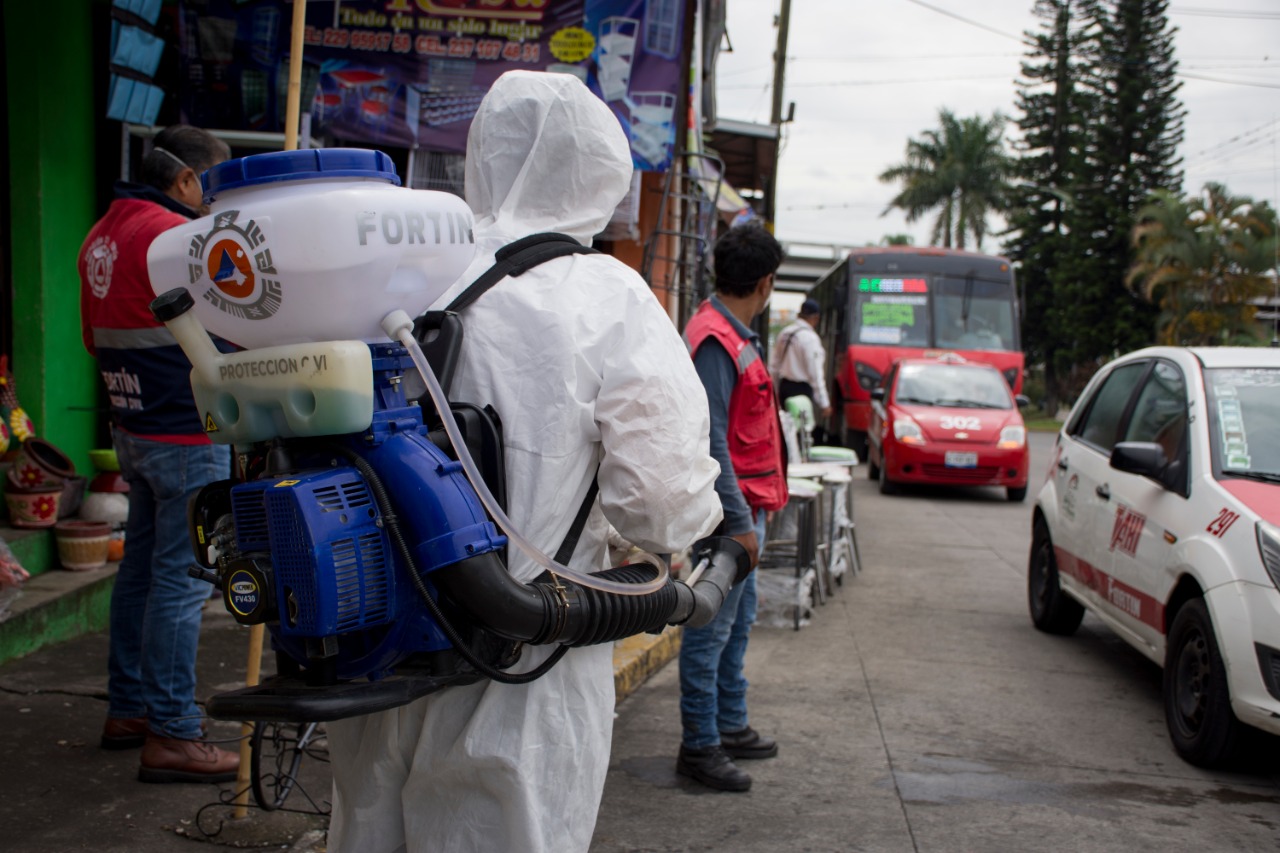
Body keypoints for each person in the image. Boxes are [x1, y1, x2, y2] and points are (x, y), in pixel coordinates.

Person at [325, 70, 723, 853]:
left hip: (376, 643)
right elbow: (662, 505)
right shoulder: (608, 295)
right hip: (524, 659)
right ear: (602, 173)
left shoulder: (396, 274)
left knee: (366, 826)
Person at [78, 125, 239, 783]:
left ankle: (131, 709)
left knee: (140, 572)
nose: (214, 203)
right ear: (186, 181)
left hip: (132, 425)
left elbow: (93, 339)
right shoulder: (176, 240)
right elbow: (230, 324)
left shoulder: (103, 233)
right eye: (214, 187)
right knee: (183, 582)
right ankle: (174, 731)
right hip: (187, 431)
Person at [677, 224, 789, 792]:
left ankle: (729, 723)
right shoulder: (716, 340)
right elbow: (712, 439)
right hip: (728, 518)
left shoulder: (732, 333)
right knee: (711, 628)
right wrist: (742, 525)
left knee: (738, 623)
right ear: (766, 282)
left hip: (748, 509)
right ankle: (699, 745)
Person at [769, 297, 833, 443]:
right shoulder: (810, 338)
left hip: (784, 388)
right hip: (801, 391)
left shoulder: (785, 333)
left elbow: (774, 366)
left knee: (785, 432)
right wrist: (824, 403)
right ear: (816, 318)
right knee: (800, 434)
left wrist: (775, 391)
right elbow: (815, 374)